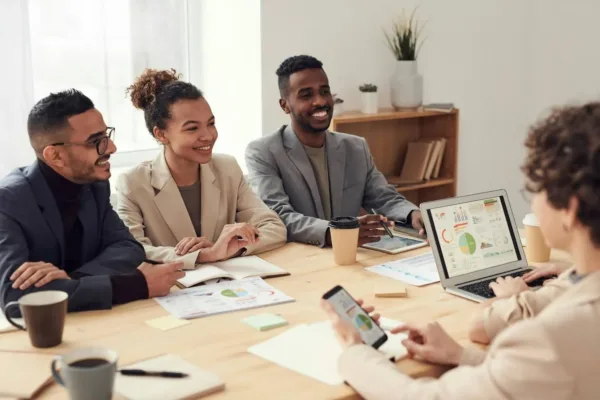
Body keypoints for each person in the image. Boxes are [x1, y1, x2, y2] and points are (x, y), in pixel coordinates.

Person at [322, 102, 600, 399]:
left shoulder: (549, 338)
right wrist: (461, 356)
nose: (533, 203)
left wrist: (354, 350)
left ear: (569, 209)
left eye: (537, 189)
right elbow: (551, 378)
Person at [0, 90, 184, 313]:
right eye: (96, 142)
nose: (111, 148)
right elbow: (13, 298)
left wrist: (71, 279)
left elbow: (128, 248)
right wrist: (134, 285)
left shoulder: (95, 185)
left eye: (106, 136)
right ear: (55, 156)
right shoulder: (8, 201)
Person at [245, 55, 424, 248]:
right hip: (301, 260)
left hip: (352, 258)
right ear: (285, 105)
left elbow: (384, 196)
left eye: (325, 91)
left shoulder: (356, 147)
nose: (320, 101)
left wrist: (412, 214)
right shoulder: (263, 152)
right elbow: (278, 215)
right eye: (306, 95)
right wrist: (337, 232)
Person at [116, 69, 287, 270]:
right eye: (192, 128)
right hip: (173, 291)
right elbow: (131, 250)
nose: (208, 136)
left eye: (211, 124)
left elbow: (274, 227)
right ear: (161, 134)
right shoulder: (133, 182)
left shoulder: (227, 168)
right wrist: (205, 255)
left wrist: (232, 248)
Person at [468, 263, 572, 344]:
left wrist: (512, 295)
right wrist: (570, 272)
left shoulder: (562, 292)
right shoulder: (579, 277)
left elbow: (477, 328)